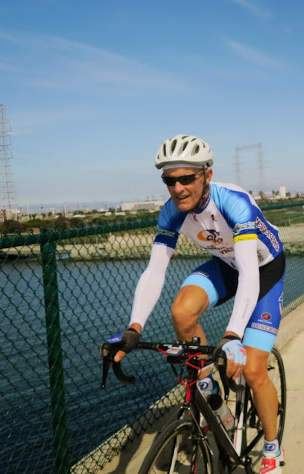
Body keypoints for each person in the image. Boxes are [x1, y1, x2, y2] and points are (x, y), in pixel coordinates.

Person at [110, 134, 286, 473]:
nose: (177, 188)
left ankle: (272, 449)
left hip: (263, 269)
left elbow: (250, 273)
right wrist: (134, 327)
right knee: (181, 312)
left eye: (186, 178)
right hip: (227, 264)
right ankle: (210, 393)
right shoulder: (171, 212)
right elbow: (155, 271)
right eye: (169, 180)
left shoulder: (233, 202)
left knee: (253, 370)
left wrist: (233, 335)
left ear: (207, 175)